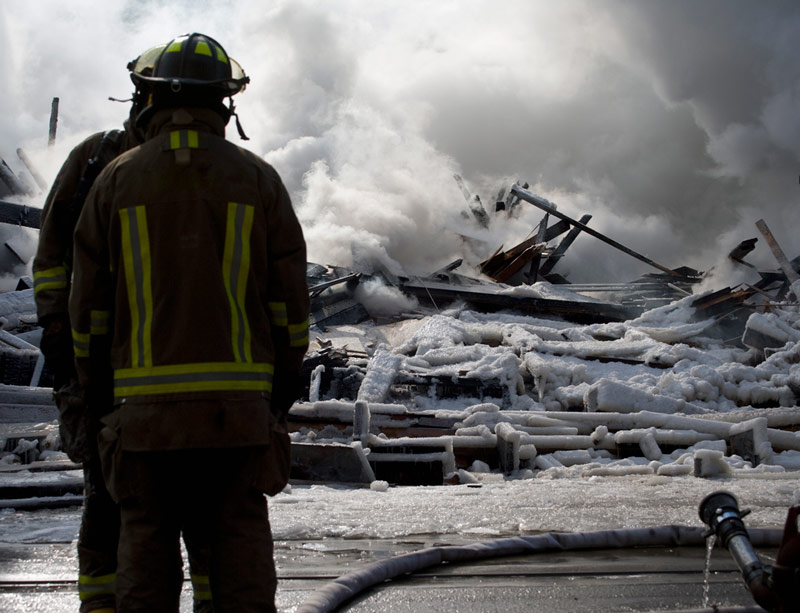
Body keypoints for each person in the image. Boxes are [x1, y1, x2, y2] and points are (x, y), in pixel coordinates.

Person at [69, 32, 309, 612]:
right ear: (224, 102)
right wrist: (278, 392)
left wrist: (98, 398)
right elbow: (289, 308)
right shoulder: (258, 180)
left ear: (150, 99)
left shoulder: (115, 180)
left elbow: (88, 313)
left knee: (145, 556)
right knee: (239, 559)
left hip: (142, 422)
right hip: (238, 420)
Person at [32, 44, 214, 613]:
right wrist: (62, 345)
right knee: (108, 506)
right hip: (105, 375)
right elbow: (52, 262)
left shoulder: (213, 167)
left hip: (183, 378)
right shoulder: (96, 161)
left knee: (204, 521)